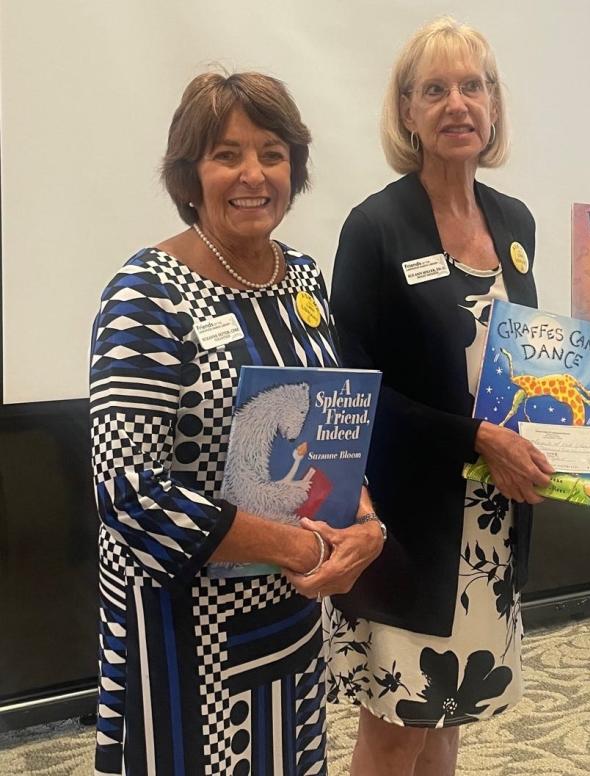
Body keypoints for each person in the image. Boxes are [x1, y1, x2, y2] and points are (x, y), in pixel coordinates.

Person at [325, 17, 590, 776]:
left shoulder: (515, 222)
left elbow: (524, 361)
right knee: (399, 724)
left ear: (494, 105)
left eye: (474, 86)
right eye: (435, 89)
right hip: (409, 523)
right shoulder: (374, 227)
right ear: (407, 111)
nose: (457, 103)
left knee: (451, 713)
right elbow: (355, 387)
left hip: (493, 520)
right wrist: (474, 440)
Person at [89, 71, 385, 775]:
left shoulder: (303, 281)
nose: (253, 174)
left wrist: (365, 521)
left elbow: (328, 434)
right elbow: (130, 492)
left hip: (287, 612)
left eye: (272, 152)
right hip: (181, 630)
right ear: (190, 175)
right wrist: (299, 547)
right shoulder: (145, 296)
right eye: (227, 154)